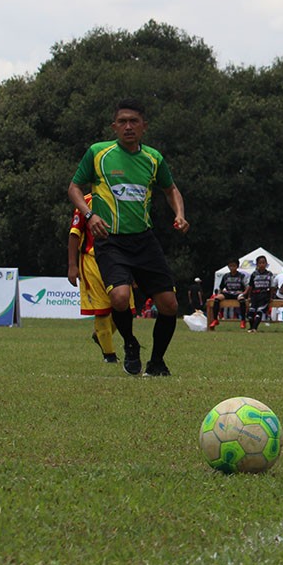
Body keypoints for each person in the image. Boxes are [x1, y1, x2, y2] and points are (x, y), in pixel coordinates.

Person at [67, 98, 188, 377]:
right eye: (122, 122)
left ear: (144, 126)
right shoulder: (99, 153)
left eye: (134, 121)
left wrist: (180, 214)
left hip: (144, 240)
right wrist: (89, 214)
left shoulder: (153, 158)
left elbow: (171, 190)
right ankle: (130, 344)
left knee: (169, 305)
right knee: (120, 298)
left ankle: (156, 363)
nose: (128, 126)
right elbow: (74, 187)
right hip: (111, 240)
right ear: (114, 126)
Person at [67, 193, 120, 364]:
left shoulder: (122, 198)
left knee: (124, 306)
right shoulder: (86, 202)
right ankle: (109, 355)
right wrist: (72, 266)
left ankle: (101, 335)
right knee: (102, 309)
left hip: (119, 260)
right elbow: (74, 233)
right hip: (92, 261)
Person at [209, 260, 249, 330]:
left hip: (238, 293)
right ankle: (215, 319)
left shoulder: (242, 276)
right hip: (228, 292)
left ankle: (243, 320)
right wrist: (219, 294)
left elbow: (247, 286)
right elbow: (221, 287)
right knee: (216, 299)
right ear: (228, 266)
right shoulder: (226, 276)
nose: (232, 268)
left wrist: (244, 293)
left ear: (237, 266)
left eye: (234, 266)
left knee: (242, 300)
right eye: (230, 266)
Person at [246, 255, 274, 333]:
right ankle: (251, 327)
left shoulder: (269, 274)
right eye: (260, 263)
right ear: (257, 264)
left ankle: (254, 328)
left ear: (266, 264)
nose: (262, 264)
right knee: (251, 313)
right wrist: (249, 296)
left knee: (259, 311)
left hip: (265, 295)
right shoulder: (254, 274)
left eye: (263, 263)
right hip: (255, 295)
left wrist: (271, 297)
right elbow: (251, 286)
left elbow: (272, 287)